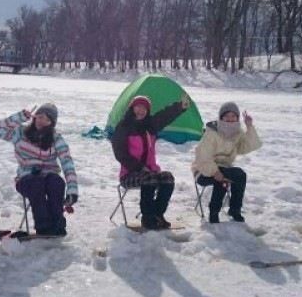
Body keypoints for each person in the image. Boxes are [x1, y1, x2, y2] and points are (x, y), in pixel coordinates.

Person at [0, 103, 78, 236]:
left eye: (47, 119)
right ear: (35, 116)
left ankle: (58, 226)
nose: (42, 121)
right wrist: (19, 117)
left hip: (49, 176)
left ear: (51, 123)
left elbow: (67, 162)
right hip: (26, 178)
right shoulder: (20, 133)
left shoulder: (56, 138)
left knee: (56, 182)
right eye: (40, 116)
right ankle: (43, 227)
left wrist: (72, 190)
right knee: (36, 183)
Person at [110, 93, 190, 229]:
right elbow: (120, 154)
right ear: (132, 109)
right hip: (129, 174)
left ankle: (158, 214)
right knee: (149, 178)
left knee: (167, 178)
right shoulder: (123, 127)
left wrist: (180, 107)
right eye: (138, 107)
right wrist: (140, 167)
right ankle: (147, 218)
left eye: (144, 108)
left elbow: (165, 116)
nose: (141, 111)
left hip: (150, 171)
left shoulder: (150, 125)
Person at [192, 102, 262, 223]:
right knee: (223, 177)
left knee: (240, 175)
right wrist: (215, 171)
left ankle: (235, 210)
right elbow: (203, 157)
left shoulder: (237, 133)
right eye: (227, 116)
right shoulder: (211, 133)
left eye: (233, 116)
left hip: (224, 169)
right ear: (221, 117)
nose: (230, 119)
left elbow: (248, 146)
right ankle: (214, 212)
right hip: (203, 170)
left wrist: (249, 127)